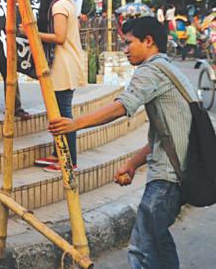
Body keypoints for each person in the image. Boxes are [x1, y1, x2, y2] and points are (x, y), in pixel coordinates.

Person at [48, 17, 193, 269]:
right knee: (153, 244)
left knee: (145, 248)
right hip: (177, 172)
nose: (124, 50)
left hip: (168, 177)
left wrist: (75, 124)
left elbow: (122, 106)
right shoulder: (169, 70)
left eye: (128, 43)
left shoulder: (151, 70)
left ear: (149, 41)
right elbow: (165, 136)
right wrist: (133, 163)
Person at [29, 0, 86, 172]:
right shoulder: (64, 0)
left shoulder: (59, 5)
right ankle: (57, 154)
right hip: (64, 64)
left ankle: (69, 161)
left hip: (63, 65)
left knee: (63, 115)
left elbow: (59, 37)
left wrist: (31, 33)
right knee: (58, 113)